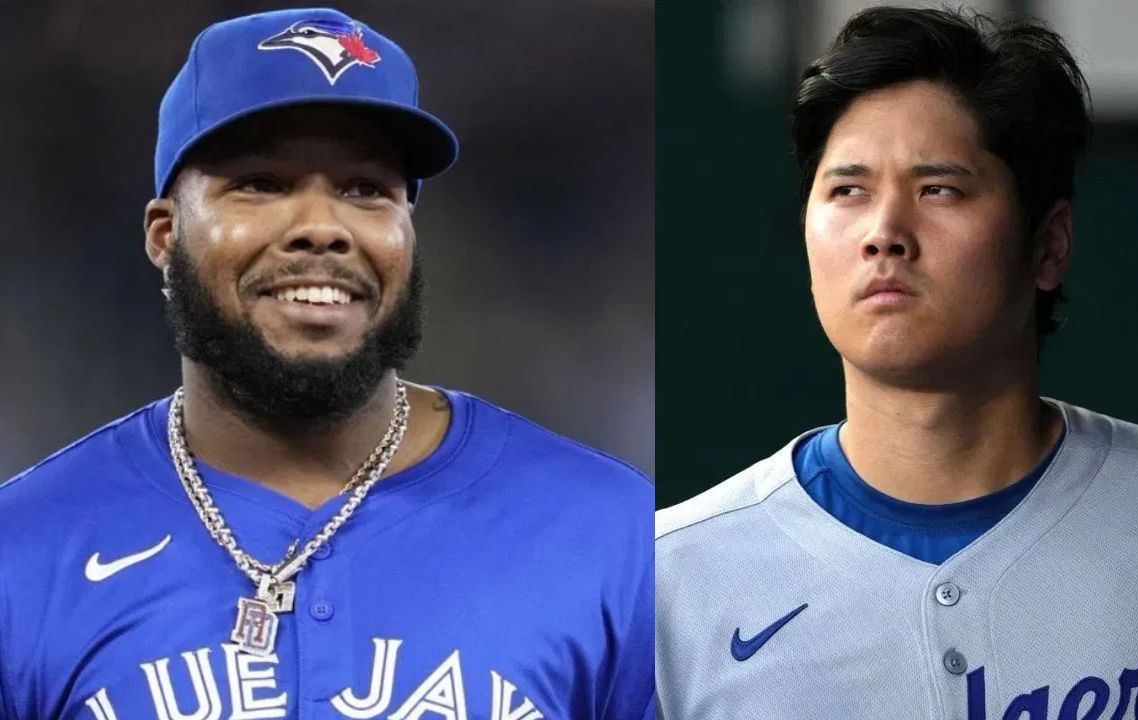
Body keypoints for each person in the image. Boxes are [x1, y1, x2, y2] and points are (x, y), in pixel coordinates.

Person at [0, 8, 653, 720]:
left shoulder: (613, 535)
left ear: (407, 230)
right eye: (260, 182)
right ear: (165, 233)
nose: (321, 227)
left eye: (366, 189)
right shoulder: (24, 551)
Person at [655, 7, 1138, 719]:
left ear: (1048, 246)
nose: (884, 233)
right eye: (847, 191)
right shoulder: (667, 581)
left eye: (938, 190)